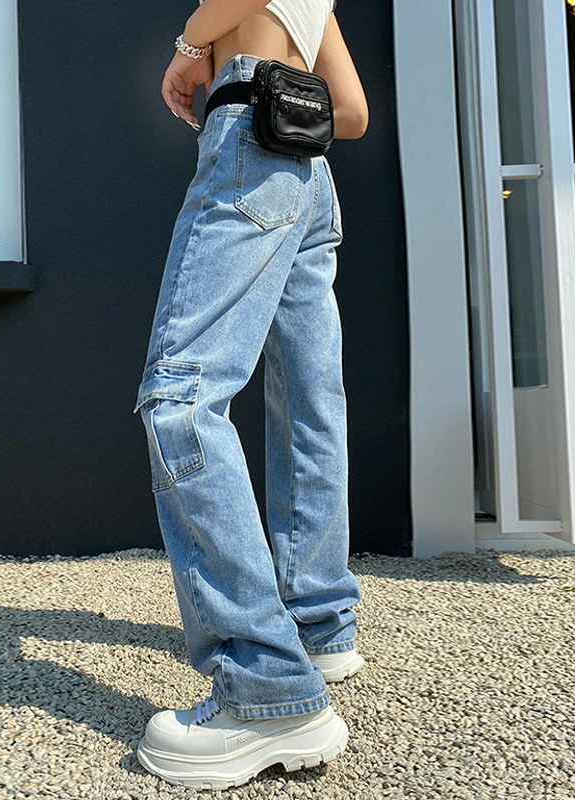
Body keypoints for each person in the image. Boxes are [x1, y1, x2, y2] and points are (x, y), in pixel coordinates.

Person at [132, 0, 370, 789]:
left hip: (250, 146)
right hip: (308, 172)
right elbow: (353, 113)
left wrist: (189, 44)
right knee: (310, 405)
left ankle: (268, 689)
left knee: (181, 397)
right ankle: (319, 625)